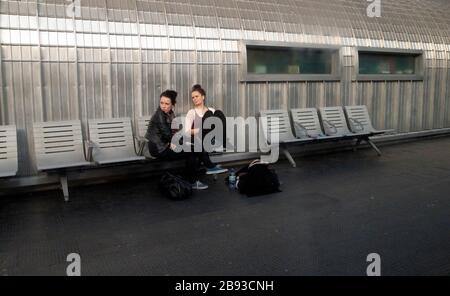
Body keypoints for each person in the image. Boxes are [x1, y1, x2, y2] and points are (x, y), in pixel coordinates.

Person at [145, 90, 209, 190]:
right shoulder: (159, 116)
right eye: (161, 103)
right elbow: (168, 134)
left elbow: (175, 131)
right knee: (191, 151)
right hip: (158, 148)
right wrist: (177, 142)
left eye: (167, 103)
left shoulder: (170, 113)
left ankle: (191, 176)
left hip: (166, 145)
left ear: (173, 104)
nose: (163, 106)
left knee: (193, 147)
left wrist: (182, 141)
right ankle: (192, 180)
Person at [185, 84, 228, 175]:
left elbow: (218, 125)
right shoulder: (191, 112)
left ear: (203, 97)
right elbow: (187, 131)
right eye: (193, 97)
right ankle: (209, 166)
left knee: (218, 112)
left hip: (211, 138)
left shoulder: (212, 110)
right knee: (208, 114)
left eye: (197, 96)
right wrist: (200, 129)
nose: (194, 99)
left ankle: (222, 143)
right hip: (198, 139)